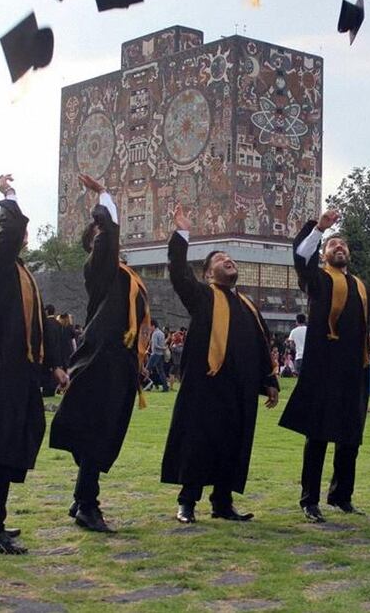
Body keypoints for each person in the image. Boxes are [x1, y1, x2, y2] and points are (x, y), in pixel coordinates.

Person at [280, 208, 370, 523]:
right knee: (318, 435)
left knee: (350, 435)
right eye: (332, 246)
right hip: (324, 369)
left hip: (355, 370)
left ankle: (341, 495)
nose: (339, 248)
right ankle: (309, 499)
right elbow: (301, 257)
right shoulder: (319, 279)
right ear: (324, 253)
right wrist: (319, 229)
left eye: (343, 246)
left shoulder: (361, 287)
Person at [0, 173, 69, 554]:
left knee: (6, 443)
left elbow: (38, 323)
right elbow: (11, 230)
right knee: (0, 445)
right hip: (1, 367)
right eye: (10, 229)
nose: (20, 234)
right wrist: (9, 196)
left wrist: (54, 365)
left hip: (21, 368)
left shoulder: (23, 273)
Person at [161, 204, 279, 524]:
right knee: (198, 441)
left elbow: (261, 345)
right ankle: (187, 502)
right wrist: (182, 234)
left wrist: (269, 380)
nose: (228, 260)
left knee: (232, 443)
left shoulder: (247, 306)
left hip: (238, 391)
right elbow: (178, 271)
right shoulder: (202, 296)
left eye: (230, 258)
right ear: (208, 273)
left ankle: (222, 503)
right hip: (206, 385)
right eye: (219, 260)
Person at [51, 174, 149, 534]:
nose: (106, 237)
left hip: (119, 361)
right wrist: (104, 196)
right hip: (101, 359)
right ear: (93, 245)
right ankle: (87, 503)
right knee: (96, 431)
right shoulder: (100, 268)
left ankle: (82, 497)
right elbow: (109, 231)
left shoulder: (124, 275)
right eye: (99, 236)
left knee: (104, 432)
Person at [148, 320, 170, 392]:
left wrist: (162, 348)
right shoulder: (161, 333)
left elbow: (155, 346)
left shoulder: (155, 334)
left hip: (155, 354)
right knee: (161, 371)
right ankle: (165, 387)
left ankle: (147, 384)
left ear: (153, 326)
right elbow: (162, 344)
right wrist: (163, 348)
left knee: (147, 369)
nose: (149, 328)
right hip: (160, 354)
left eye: (150, 326)